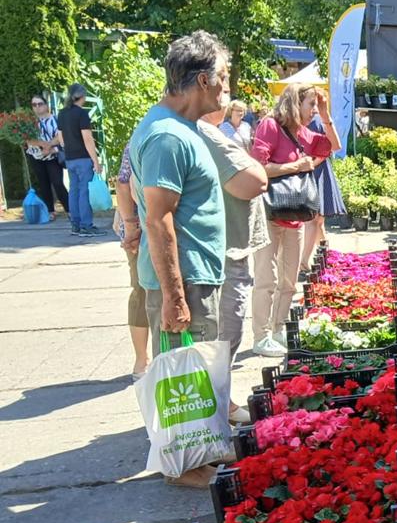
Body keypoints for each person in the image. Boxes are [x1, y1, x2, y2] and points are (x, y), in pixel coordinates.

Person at [127, 30, 231, 487]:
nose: (227, 86)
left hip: (194, 275)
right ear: (203, 80)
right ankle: (184, 466)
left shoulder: (178, 128)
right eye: (224, 76)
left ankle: (197, 453)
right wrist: (173, 296)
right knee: (182, 377)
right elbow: (158, 219)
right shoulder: (167, 136)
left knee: (195, 371)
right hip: (183, 280)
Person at [250, 84, 340, 357]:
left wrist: (326, 115)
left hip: (295, 215)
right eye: (311, 104)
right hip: (270, 213)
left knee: (289, 280)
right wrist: (295, 166)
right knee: (266, 278)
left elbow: (333, 146)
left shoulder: (303, 132)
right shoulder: (270, 126)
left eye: (315, 105)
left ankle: (278, 329)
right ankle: (261, 336)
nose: (313, 110)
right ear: (294, 102)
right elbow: (257, 167)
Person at [197, 107, 269, 404]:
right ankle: (215, 406)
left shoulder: (205, 130)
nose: (225, 99)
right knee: (224, 329)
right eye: (222, 87)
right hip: (223, 250)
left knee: (223, 330)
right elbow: (255, 181)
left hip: (227, 246)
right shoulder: (204, 132)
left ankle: (218, 402)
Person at [113, 145, 148, 380]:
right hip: (139, 229)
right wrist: (130, 225)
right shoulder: (139, 141)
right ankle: (142, 359)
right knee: (141, 290)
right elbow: (122, 183)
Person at [56, 83, 104, 236]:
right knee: (84, 191)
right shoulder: (82, 114)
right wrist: (95, 161)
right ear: (82, 96)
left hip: (70, 158)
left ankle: (75, 225)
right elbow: (88, 139)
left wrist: (68, 149)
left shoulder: (62, 113)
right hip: (83, 158)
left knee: (74, 191)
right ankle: (86, 225)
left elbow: (60, 138)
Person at [301, 111, 348, 266]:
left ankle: (317, 259)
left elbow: (328, 149)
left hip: (316, 169)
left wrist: (307, 165)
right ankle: (323, 258)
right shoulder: (312, 119)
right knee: (316, 220)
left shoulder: (317, 120)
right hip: (313, 169)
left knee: (317, 220)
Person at [24, 93, 69, 219]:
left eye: (40, 104)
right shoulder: (30, 122)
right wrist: (41, 145)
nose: (37, 107)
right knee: (43, 184)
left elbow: (61, 136)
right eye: (34, 105)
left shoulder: (55, 120)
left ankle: (69, 209)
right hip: (36, 156)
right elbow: (27, 139)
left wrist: (48, 147)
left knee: (57, 183)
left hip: (52, 156)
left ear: (46, 105)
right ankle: (50, 211)